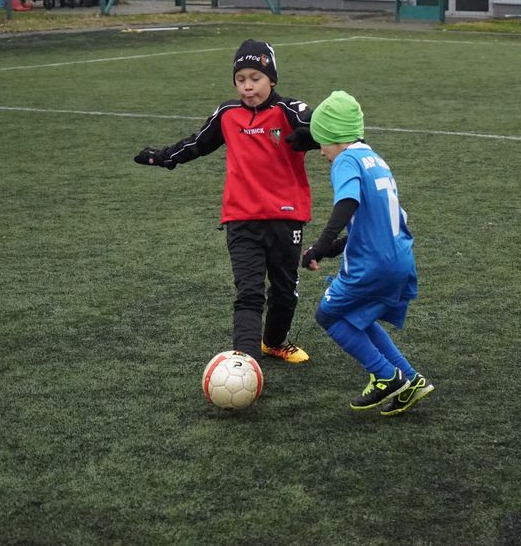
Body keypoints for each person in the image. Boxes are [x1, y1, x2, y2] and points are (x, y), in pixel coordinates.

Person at [134, 39, 320, 363]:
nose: (248, 86)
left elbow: (325, 128)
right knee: (249, 292)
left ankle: (274, 342)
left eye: (255, 78)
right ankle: (245, 362)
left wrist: (312, 136)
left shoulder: (289, 110)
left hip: (286, 217)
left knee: (284, 292)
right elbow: (197, 143)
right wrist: (163, 157)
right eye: (240, 79)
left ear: (271, 79)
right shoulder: (227, 114)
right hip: (241, 219)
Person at [301, 90, 433, 416]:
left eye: (322, 142)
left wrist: (321, 244)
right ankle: (411, 380)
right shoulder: (376, 160)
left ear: (336, 136)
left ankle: (386, 376)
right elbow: (375, 223)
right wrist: (332, 250)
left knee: (328, 315)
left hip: (372, 264)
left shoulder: (346, 160)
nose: (321, 152)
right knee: (358, 314)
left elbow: (347, 202)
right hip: (399, 256)